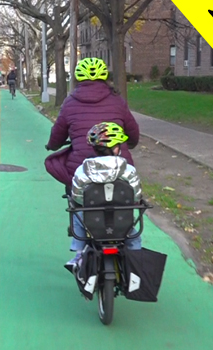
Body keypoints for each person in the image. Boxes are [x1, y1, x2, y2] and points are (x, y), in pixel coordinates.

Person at [44, 57, 139, 192]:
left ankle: (80, 212)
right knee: (126, 196)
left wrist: (52, 146)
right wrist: (127, 144)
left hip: (83, 167)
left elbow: (58, 135)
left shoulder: (69, 103)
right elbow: (133, 133)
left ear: (78, 79)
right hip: (119, 166)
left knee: (79, 198)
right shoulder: (117, 100)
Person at [67, 121, 143, 268]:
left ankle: (79, 254)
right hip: (121, 220)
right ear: (116, 148)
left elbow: (77, 197)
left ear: (95, 148)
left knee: (77, 217)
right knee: (134, 237)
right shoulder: (129, 170)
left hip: (92, 220)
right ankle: (136, 264)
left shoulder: (82, 170)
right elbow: (136, 196)